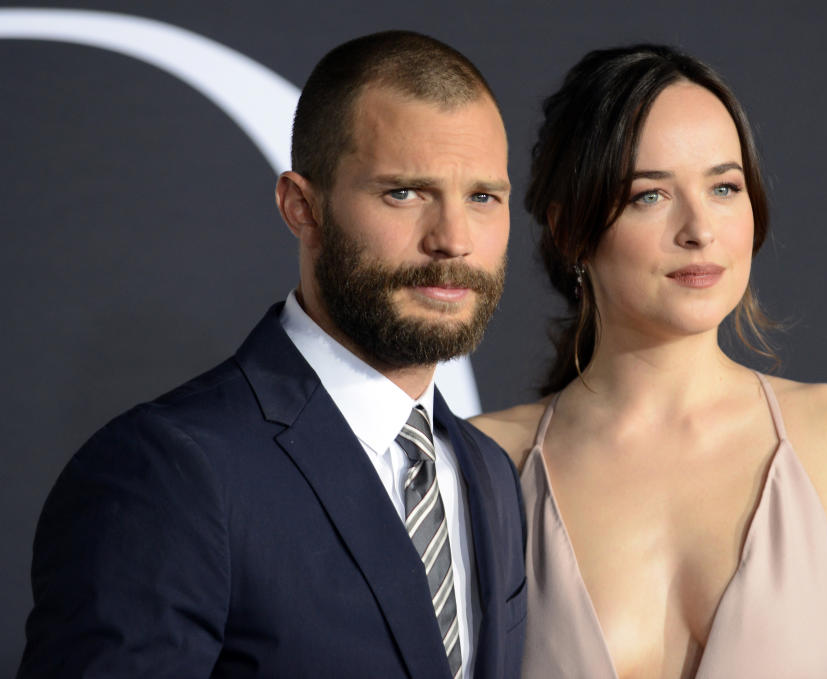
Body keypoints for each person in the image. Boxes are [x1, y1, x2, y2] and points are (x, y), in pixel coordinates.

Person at [19, 31, 526, 679]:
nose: (454, 239)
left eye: (483, 197)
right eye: (404, 192)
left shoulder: (487, 472)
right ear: (301, 207)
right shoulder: (170, 472)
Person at [472, 44, 827, 679]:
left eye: (723, 187)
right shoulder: (482, 466)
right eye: (650, 196)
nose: (700, 229)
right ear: (569, 230)